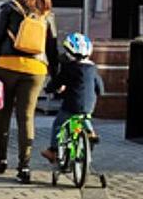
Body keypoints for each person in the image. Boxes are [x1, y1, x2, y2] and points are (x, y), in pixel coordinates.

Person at [0, 0, 59, 184]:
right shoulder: (47, 15)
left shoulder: (9, 8)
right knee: (26, 117)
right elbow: (52, 47)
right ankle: (24, 166)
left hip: (7, 66)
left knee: (3, 113)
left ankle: (1, 158)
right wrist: (56, 74)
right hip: (36, 69)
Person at [41, 33, 103, 164]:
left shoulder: (69, 68)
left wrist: (49, 89)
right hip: (89, 104)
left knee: (58, 124)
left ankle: (53, 151)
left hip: (72, 104)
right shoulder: (92, 68)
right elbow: (100, 87)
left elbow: (58, 82)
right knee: (84, 116)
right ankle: (91, 132)